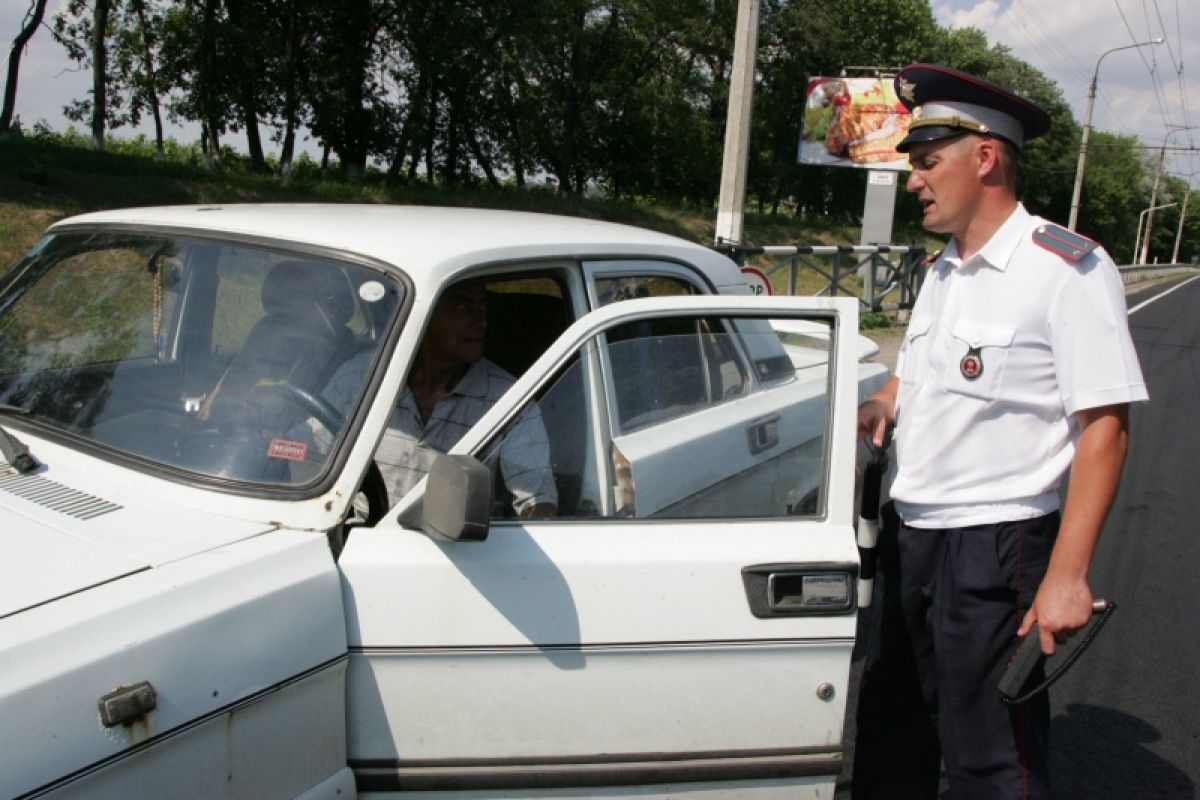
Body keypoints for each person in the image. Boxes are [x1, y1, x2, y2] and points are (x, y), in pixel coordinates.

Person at [853, 64, 1147, 798]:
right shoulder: (943, 269)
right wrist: (887, 400)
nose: (915, 180)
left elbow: (1105, 428)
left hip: (996, 545)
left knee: (991, 757)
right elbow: (920, 370)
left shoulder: (1067, 269)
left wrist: (1067, 577)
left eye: (926, 163)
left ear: (984, 158)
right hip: (912, 530)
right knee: (894, 739)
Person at [321, 281, 558, 519]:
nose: (481, 322)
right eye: (463, 307)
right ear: (424, 314)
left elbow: (538, 503)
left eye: (483, 307)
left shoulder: (510, 399)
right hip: (359, 538)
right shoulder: (364, 376)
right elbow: (307, 451)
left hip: (456, 549)